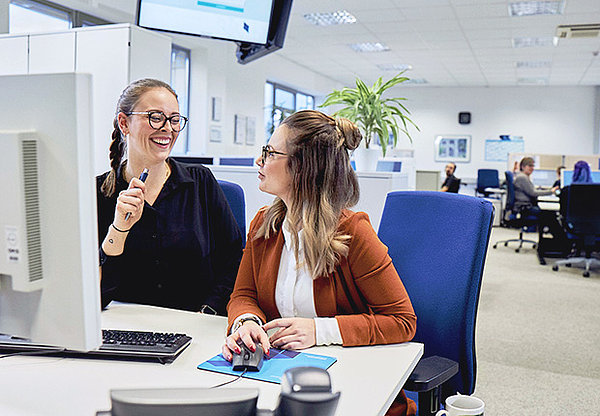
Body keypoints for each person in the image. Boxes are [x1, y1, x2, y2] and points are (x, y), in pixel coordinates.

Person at [221, 110, 417, 416]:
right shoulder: (264, 224)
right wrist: (248, 322)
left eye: (270, 153)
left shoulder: (354, 233)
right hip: (280, 385)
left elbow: (402, 322)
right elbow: (242, 296)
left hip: (353, 386)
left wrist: (319, 331)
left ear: (303, 168)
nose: (259, 161)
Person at [97, 78, 242, 314]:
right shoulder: (99, 192)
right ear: (124, 123)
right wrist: (119, 230)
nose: (168, 128)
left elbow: (234, 261)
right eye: (155, 117)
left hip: (196, 323)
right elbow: (95, 298)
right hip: (126, 326)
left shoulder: (200, 183)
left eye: (175, 120)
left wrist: (208, 311)